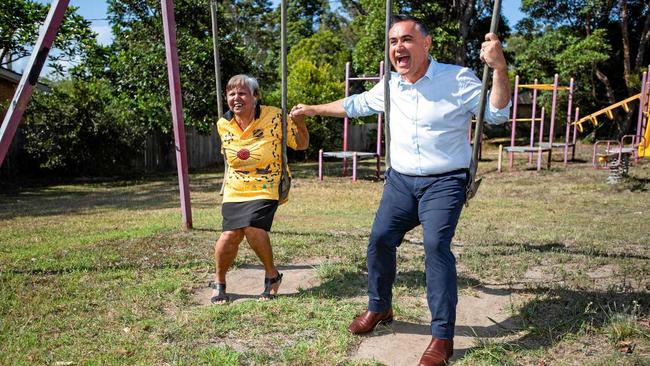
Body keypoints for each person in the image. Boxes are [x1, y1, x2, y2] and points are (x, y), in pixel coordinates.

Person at [290, 15, 510, 366]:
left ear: (427, 43)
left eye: (406, 39)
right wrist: (312, 110)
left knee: (436, 246)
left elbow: (497, 114)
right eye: (393, 42)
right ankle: (380, 308)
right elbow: (356, 105)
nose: (398, 48)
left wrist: (499, 68)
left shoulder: (457, 79)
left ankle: (441, 336)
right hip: (401, 181)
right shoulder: (391, 85)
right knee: (379, 239)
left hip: (446, 180)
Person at [211, 74, 309, 305]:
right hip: (235, 187)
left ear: (255, 97)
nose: (236, 98)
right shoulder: (223, 124)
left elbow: (301, 144)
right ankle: (220, 282)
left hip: (267, 184)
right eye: (231, 93)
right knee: (230, 235)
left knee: (252, 228)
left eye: (243, 93)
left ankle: (270, 274)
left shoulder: (275, 116)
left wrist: (301, 122)